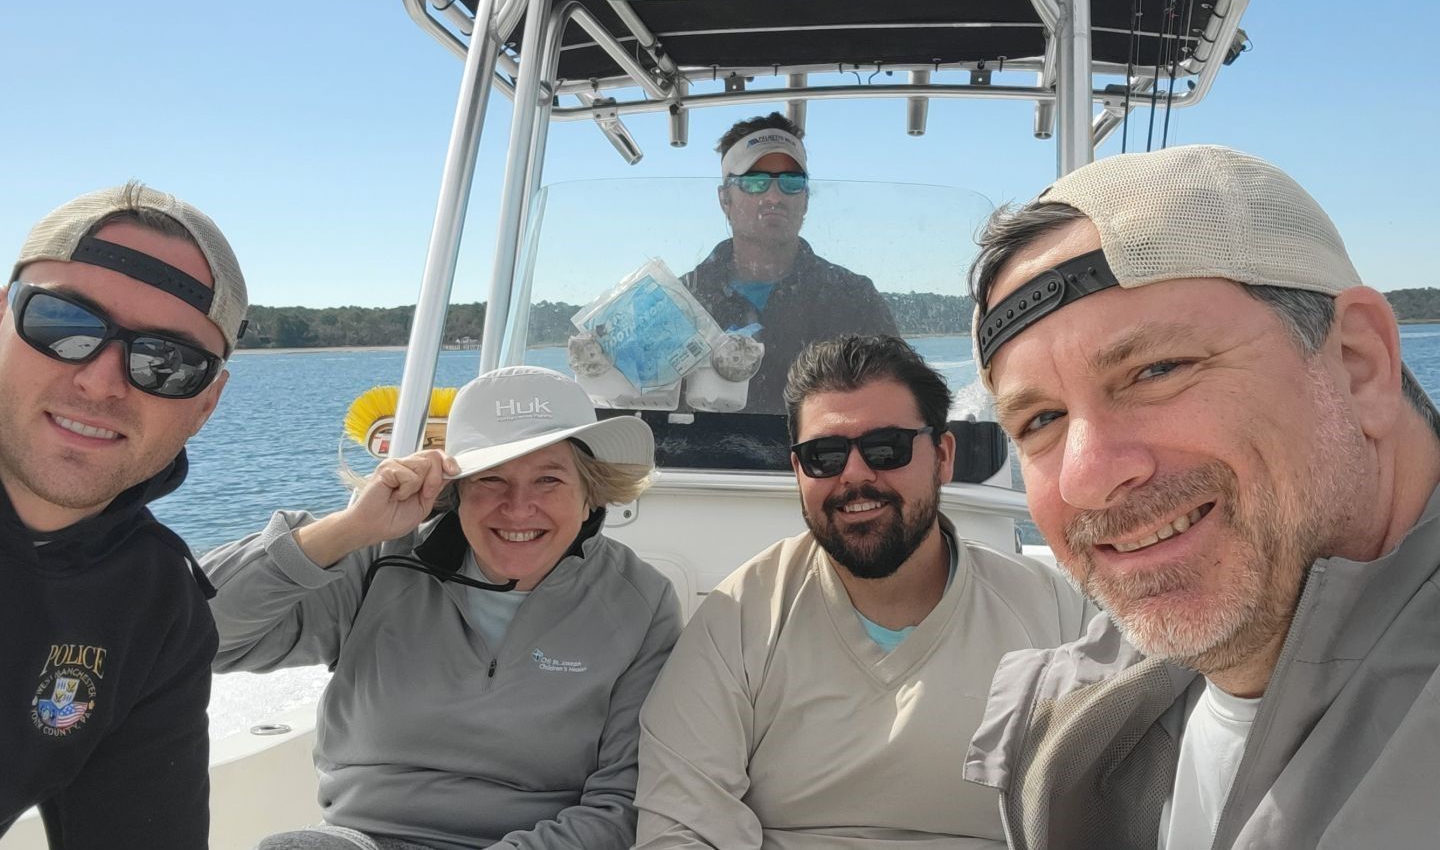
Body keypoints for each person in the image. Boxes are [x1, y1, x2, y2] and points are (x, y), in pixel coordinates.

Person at [962, 145, 1440, 849]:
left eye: (1156, 368)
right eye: (1040, 421)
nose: (1087, 475)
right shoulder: (1087, 720)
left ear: (1359, 366)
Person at [634, 334, 1093, 849]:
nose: (855, 474)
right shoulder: (740, 616)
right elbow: (680, 825)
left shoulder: (1054, 616)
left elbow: (1120, 802)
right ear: (798, 472)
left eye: (886, 448)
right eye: (824, 455)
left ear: (942, 456)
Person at [202, 365, 683, 850]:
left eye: (548, 480)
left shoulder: (640, 601)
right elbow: (196, 634)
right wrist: (349, 529)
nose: (518, 508)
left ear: (589, 495)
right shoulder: (380, 559)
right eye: (491, 479)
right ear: (456, 493)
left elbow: (622, 802)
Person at [0, 182, 248, 847]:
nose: (102, 380)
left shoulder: (152, 604)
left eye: (167, 362)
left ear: (206, 403)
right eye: (63, 324)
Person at [682, 113, 898, 413]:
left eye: (791, 182)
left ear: (806, 199)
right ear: (725, 200)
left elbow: (896, 401)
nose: (773, 196)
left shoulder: (853, 297)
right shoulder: (682, 302)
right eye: (755, 182)